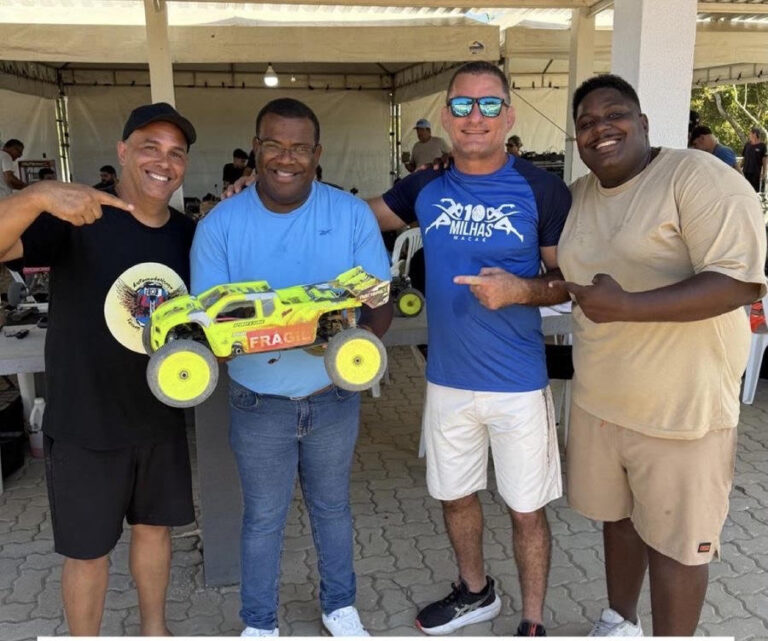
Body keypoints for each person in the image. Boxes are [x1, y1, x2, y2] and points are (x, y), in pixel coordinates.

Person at [557, 74, 766, 637]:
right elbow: (564, 275)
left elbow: (739, 284)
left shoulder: (698, 178)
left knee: (677, 544)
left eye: (613, 115)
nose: (600, 128)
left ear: (644, 123)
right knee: (618, 521)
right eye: (585, 123)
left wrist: (626, 305)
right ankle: (619, 620)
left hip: (681, 411)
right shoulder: (578, 195)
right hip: (602, 401)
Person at [368, 61, 571, 637]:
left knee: (526, 507)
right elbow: (351, 220)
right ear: (443, 117)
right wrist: (263, 192)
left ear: (508, 115)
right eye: (461, 105)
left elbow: (570, 283)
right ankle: (476, 593)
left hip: (519, 382)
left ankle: (532, 620)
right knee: (456, 497)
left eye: (488, 105)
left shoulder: (542, 188)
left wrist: (522, 290)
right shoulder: (424, 185)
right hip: (447, 379)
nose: (474, 117)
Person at [190, 97, 392, 637]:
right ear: (255, 149)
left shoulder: (349, 214)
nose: (286, 158)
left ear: (317, 153)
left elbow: (378, 300)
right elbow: (211, 328)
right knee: (262, 519)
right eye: (274, 145)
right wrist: (238, 340)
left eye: (299, 147)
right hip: (257, 403)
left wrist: (357, 355)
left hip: (333, 397)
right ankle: (259, 623)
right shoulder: (220, 225)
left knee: (332, 509)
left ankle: (340, 607)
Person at [0, 102, 198, 636]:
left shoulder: (188, 234)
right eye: (149, 148)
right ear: (123, 152)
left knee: (155, 533)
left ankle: (154, 631)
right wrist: (36, 195)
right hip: (85, 422)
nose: (164, 162)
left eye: (176, 153)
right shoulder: (75, 218)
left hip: (158, 417)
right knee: (87, 554)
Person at [740, 126, 767, 192]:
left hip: (755, 173)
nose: (749, 135)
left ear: (754, 134)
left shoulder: (762, 146)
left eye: (750, 133)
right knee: (744, 190)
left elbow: (765, 160)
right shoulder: (747, 144)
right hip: (745, 172)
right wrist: (738, 167)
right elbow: (744, 159)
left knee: (754, 192)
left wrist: (764, 173)